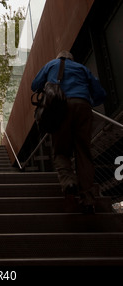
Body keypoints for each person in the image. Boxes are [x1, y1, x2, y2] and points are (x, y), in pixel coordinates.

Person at [31, 51, 106, 214]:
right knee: (83, 152)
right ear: (72, 59)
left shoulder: (51, 65)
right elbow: (100, 93)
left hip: (60, 107)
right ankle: (88, 198)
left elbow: (34, 85)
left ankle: (68, 182)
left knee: (61, 150)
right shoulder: (82, 68)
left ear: (59, 58)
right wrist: (88, 101)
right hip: (83, 106)